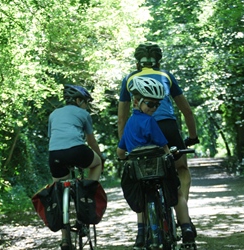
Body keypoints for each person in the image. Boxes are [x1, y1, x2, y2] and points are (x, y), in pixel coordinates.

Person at [117, 43, 199, 247]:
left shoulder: (129, 79)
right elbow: (187, 111)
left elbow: (121, 118)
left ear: (137, 62)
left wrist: (126, 144)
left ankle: (143, 229)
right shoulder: (167, 76)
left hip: (136, 128)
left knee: (141, 176)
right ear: (158, 61)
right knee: (181, 169)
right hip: (168, 127)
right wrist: (192, 136)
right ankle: (182, 216)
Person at [48, 84, 104, 250]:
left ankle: (65, 240)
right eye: (86, 101)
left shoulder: (53, 114)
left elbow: (53, 137)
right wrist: (100, 156)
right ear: (79, 100)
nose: (86, 105)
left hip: (55, 154)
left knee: (58, 190)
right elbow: (91, 142)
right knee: (97, 163)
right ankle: (88, 191)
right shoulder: (84, 114)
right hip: (77, 151)